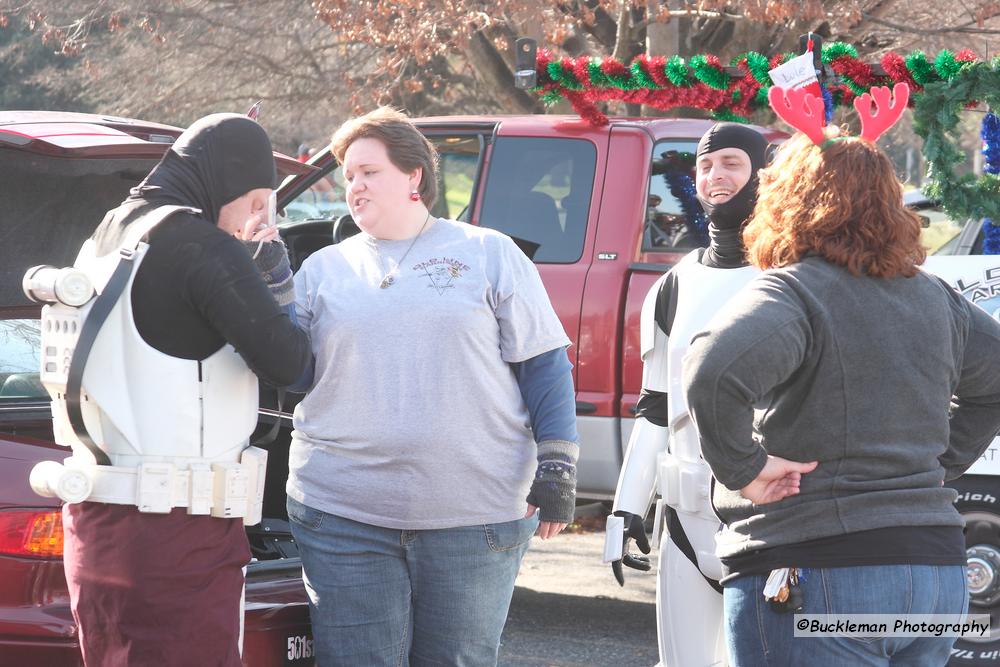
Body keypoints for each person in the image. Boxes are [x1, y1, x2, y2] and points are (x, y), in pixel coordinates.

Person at [682, 128, 1000, 665]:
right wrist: (935, 465)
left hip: (817, 568)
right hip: (933, 582)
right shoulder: (935, 296)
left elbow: (712, 374)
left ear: (785, 198)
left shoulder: (794, 289)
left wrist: (744, 468)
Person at [287, 106, 579, 666]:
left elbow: (544, 364)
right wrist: (270, 279)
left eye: (369, 171)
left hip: (473, 518)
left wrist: (558, 464)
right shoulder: (321, 269)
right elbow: (294, 375)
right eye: (348, 176)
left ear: (414, 175)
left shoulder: (488, 253)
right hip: (342, 515)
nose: (355, 186)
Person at [31, 113, 311, 666]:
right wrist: (273, 272)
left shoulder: (107, 236)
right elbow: (292, 365)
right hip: (179, 533)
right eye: (257, 202)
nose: (256, 219)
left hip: (98, 524)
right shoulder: (201, 247)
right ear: (228, 181)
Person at [604, 123, 770, 666]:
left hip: (766, 514)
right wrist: (626, 507)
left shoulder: (791, 277)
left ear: (763, 175)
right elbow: (656, 405)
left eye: (731, 163)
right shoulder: (673, 284)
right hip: (682, 514)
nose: (715, 176)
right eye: (704, 165)